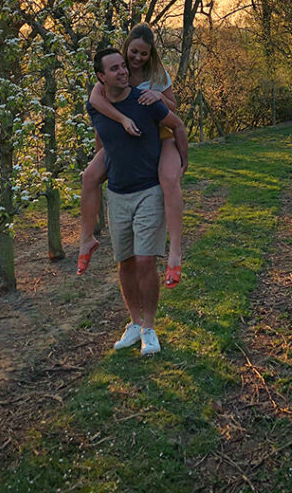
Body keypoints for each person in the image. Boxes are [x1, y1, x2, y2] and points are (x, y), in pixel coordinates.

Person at [85, 47, 189, 356]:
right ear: (102, 77)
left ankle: (149, 328)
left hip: (148, 188)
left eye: (124, 66)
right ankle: (133, 323)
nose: (125, 69)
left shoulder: (147, 97)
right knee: (125, 262)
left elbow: (176, 122)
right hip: (117, 192)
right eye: (114, 68)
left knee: (145, 260)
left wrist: (184, 160)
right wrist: (104, 162)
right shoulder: (97, 104)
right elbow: (100, 133)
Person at [77, 23, 187, 288]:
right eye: (134, 52)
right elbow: (96, 103)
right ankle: (86, 238)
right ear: (126, 50)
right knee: (89, 176)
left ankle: (175, 252)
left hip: (162, 136)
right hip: (125, 138)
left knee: (169, 180)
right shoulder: (114, 72)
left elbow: (173, 110)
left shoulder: (157, 74)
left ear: (151, 55)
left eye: (144, 54)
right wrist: (121, 122)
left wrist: (157, 95)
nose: (137, 59)